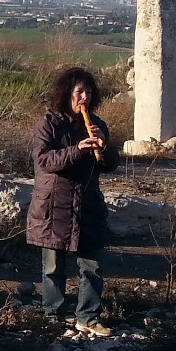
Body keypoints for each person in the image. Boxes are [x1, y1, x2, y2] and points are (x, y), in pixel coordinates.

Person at [26, 66, 120, 337]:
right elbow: (44, 161)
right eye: (80, 92)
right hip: (55, 204)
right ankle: (52, 314)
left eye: (89, 93)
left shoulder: (98, 124)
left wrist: (104, 148)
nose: (84, 98)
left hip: (88, 204)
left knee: (92, 265)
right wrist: (77, 150)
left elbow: (110, 165)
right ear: (67, 93)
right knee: (54, 266)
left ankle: (88, 317)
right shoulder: (49, 123)